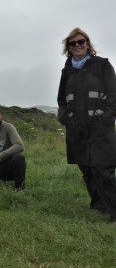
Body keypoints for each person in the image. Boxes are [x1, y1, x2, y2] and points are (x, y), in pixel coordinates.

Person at [57, 27, 116, 222]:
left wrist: (105, 118)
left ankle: (114, 212)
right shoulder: (67, 71)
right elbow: (62, 100)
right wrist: (65, 118)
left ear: (87, 44)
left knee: (103, 171)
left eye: (81, 42)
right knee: (87, 170)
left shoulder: (102, 65)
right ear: (69, 47)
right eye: (72, 43)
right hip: (77, 130)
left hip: (100, 129)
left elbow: (113, 95)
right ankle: (99, 206)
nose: (77, 46)